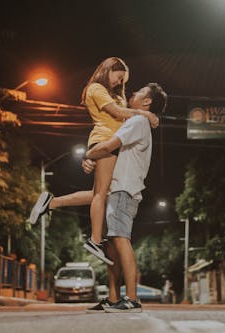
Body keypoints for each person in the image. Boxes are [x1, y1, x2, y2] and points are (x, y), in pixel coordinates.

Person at [30, 57, 158, 266]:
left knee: (102, 193)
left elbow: (124, 118)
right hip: (104, 141)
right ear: (108, 70)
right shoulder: (96, 88)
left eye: (122, 81)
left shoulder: (116, 94)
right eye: (118, 78)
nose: (119, 83)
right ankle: (95, 241)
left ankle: (51, 203)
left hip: (113, 145)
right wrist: (144, 113)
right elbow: (116, 113)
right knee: (101, 194)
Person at [83, 82, 168, 313]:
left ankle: (132, 299)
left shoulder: (138, 121)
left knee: (121, 240)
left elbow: (110, 145)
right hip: (120, 190)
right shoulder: (139, 120)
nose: (133, 93)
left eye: (139, 92)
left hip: (124, 190)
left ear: (147, 101)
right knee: (112, 247)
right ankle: (113, 298)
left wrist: (88, 154)